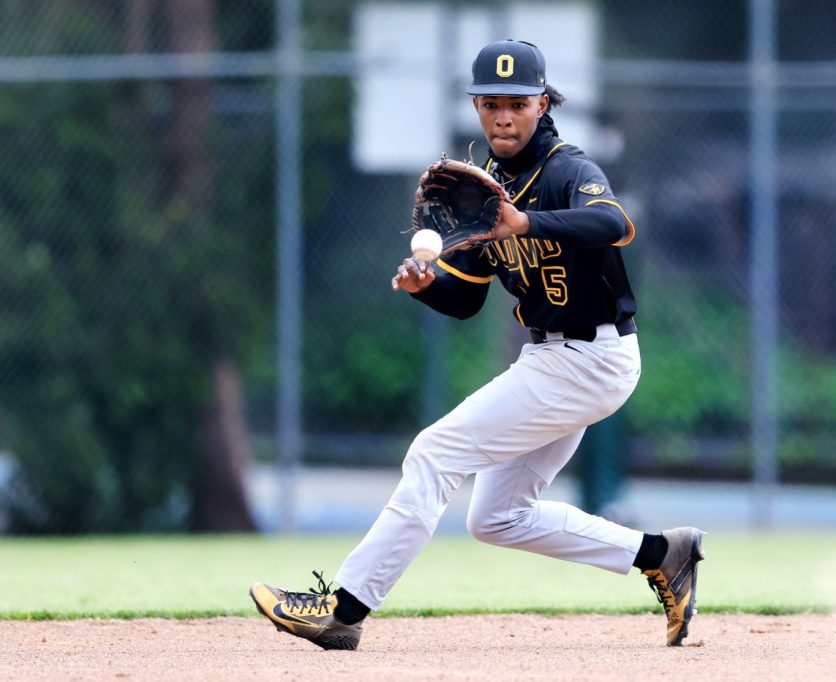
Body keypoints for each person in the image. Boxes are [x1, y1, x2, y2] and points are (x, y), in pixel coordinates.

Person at [250, 39, 705, 650]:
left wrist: (528, 222)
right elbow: (466, 299)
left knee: (434, 454)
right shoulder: (488, 187)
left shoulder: (569, 170)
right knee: (494, 518)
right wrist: (425, 286)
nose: (504, 116)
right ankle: (661, 554)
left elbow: (615, 224)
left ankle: (344, 609)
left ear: (543, 104)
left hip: (592, 356)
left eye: (517, 103)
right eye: (490, 104)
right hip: (553, 357)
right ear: (478, 108)